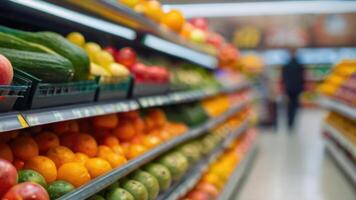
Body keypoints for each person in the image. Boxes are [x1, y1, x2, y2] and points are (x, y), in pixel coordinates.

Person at [282, 48, 304, 130]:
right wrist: (302, 87)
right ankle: (293, 122)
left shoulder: (287, 65)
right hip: (297, 88)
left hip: (289, 88)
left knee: (289, 106)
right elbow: (302, 78)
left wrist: (285, 87)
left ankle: (289, 122)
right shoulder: (299, 64)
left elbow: (284, 77)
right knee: (295, 105)